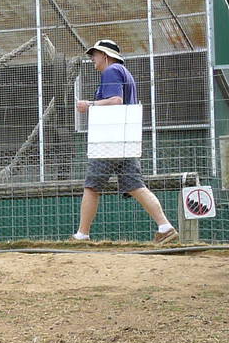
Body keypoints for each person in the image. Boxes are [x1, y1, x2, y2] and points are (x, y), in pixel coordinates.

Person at [72, 39, 178, 243]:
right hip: (126, 140)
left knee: (92, 186)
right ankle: (165, 227)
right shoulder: (125, 73)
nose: (92, 58)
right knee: (136, 186)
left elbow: (116, 101)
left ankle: (82, 235)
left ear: (105, 56)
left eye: (95, 54)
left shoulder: (111, 71)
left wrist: (89, 104)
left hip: (109, 141)